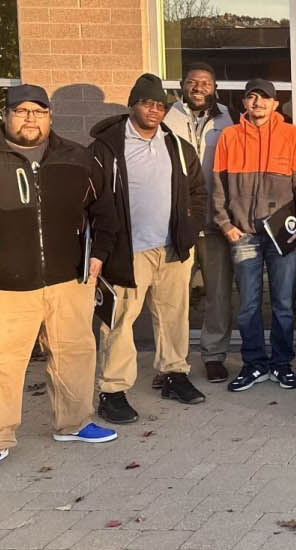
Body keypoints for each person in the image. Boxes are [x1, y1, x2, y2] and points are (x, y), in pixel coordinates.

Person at [0, 84, 121, 477]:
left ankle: (73, 423)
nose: (30, 119)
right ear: (5, 115)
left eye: (38, 112)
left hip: (67, 280)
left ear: (50, 116)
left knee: (75, 354)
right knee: (0, 365)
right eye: (21, 111)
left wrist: (97, 255)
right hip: (1, 284)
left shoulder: (76, 157)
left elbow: (104, 210)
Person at [89, 73, 209, 424]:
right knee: (120, 321)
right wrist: (100, 248)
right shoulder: (107, 148)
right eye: (147, 103)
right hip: (128, 252)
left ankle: (173, 375)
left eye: (159, 104)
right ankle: (112, 391)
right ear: (133, 105)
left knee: (173, 316)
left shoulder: (176, 145)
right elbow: (91, 198)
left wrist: (190, 227)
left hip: (172, 249)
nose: (154, 110)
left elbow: (198, 192)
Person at [212, 78, 296, 393]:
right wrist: (225, 224)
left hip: (281, 235)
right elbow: (217, 186)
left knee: (283, 303)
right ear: (244, 103)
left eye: (264, 98)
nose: (257, 103)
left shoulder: (292, 136)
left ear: (275, 104)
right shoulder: (229, 137)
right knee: (248, 304)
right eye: (251, 97)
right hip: (243, 234)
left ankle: (281, 364)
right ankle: (254, 363)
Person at [164, 62, 236, 384]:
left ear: (214, 86)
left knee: (218, 295)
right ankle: (172, 362)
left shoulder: (228, 118)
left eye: (205, 82)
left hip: (216, 223)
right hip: (177, 223)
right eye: (193, 82)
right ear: (182, 85)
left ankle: (214, 355)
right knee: (173, 297)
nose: (198, 87)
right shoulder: (167, 118)